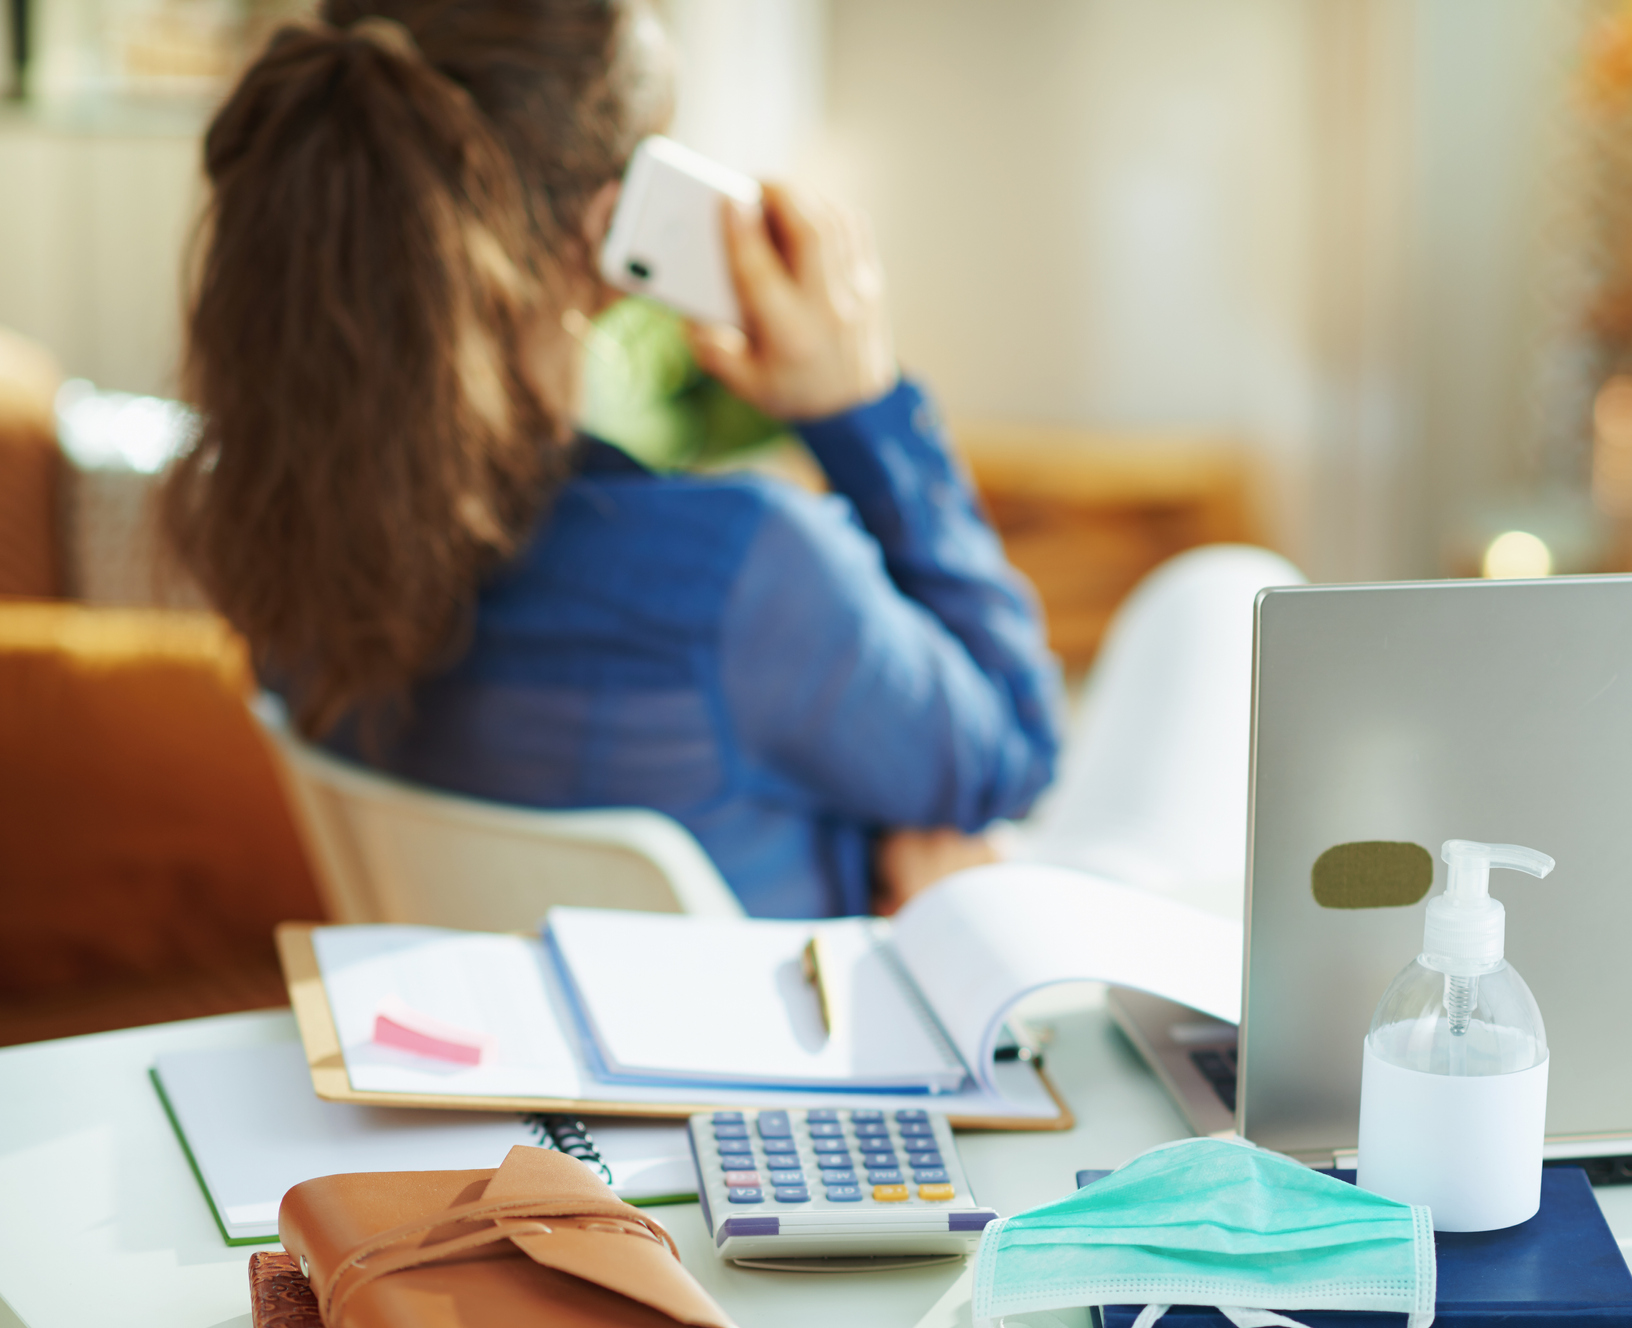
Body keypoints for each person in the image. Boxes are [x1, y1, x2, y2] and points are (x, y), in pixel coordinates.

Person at [160, 0, 1063, 919]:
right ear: (609, 229)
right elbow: (1018, 751)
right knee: (1208, 609)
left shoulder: (279, 531)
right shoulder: (745, 573)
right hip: (774, 1053)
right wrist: (860, 409)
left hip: (476, 1047)